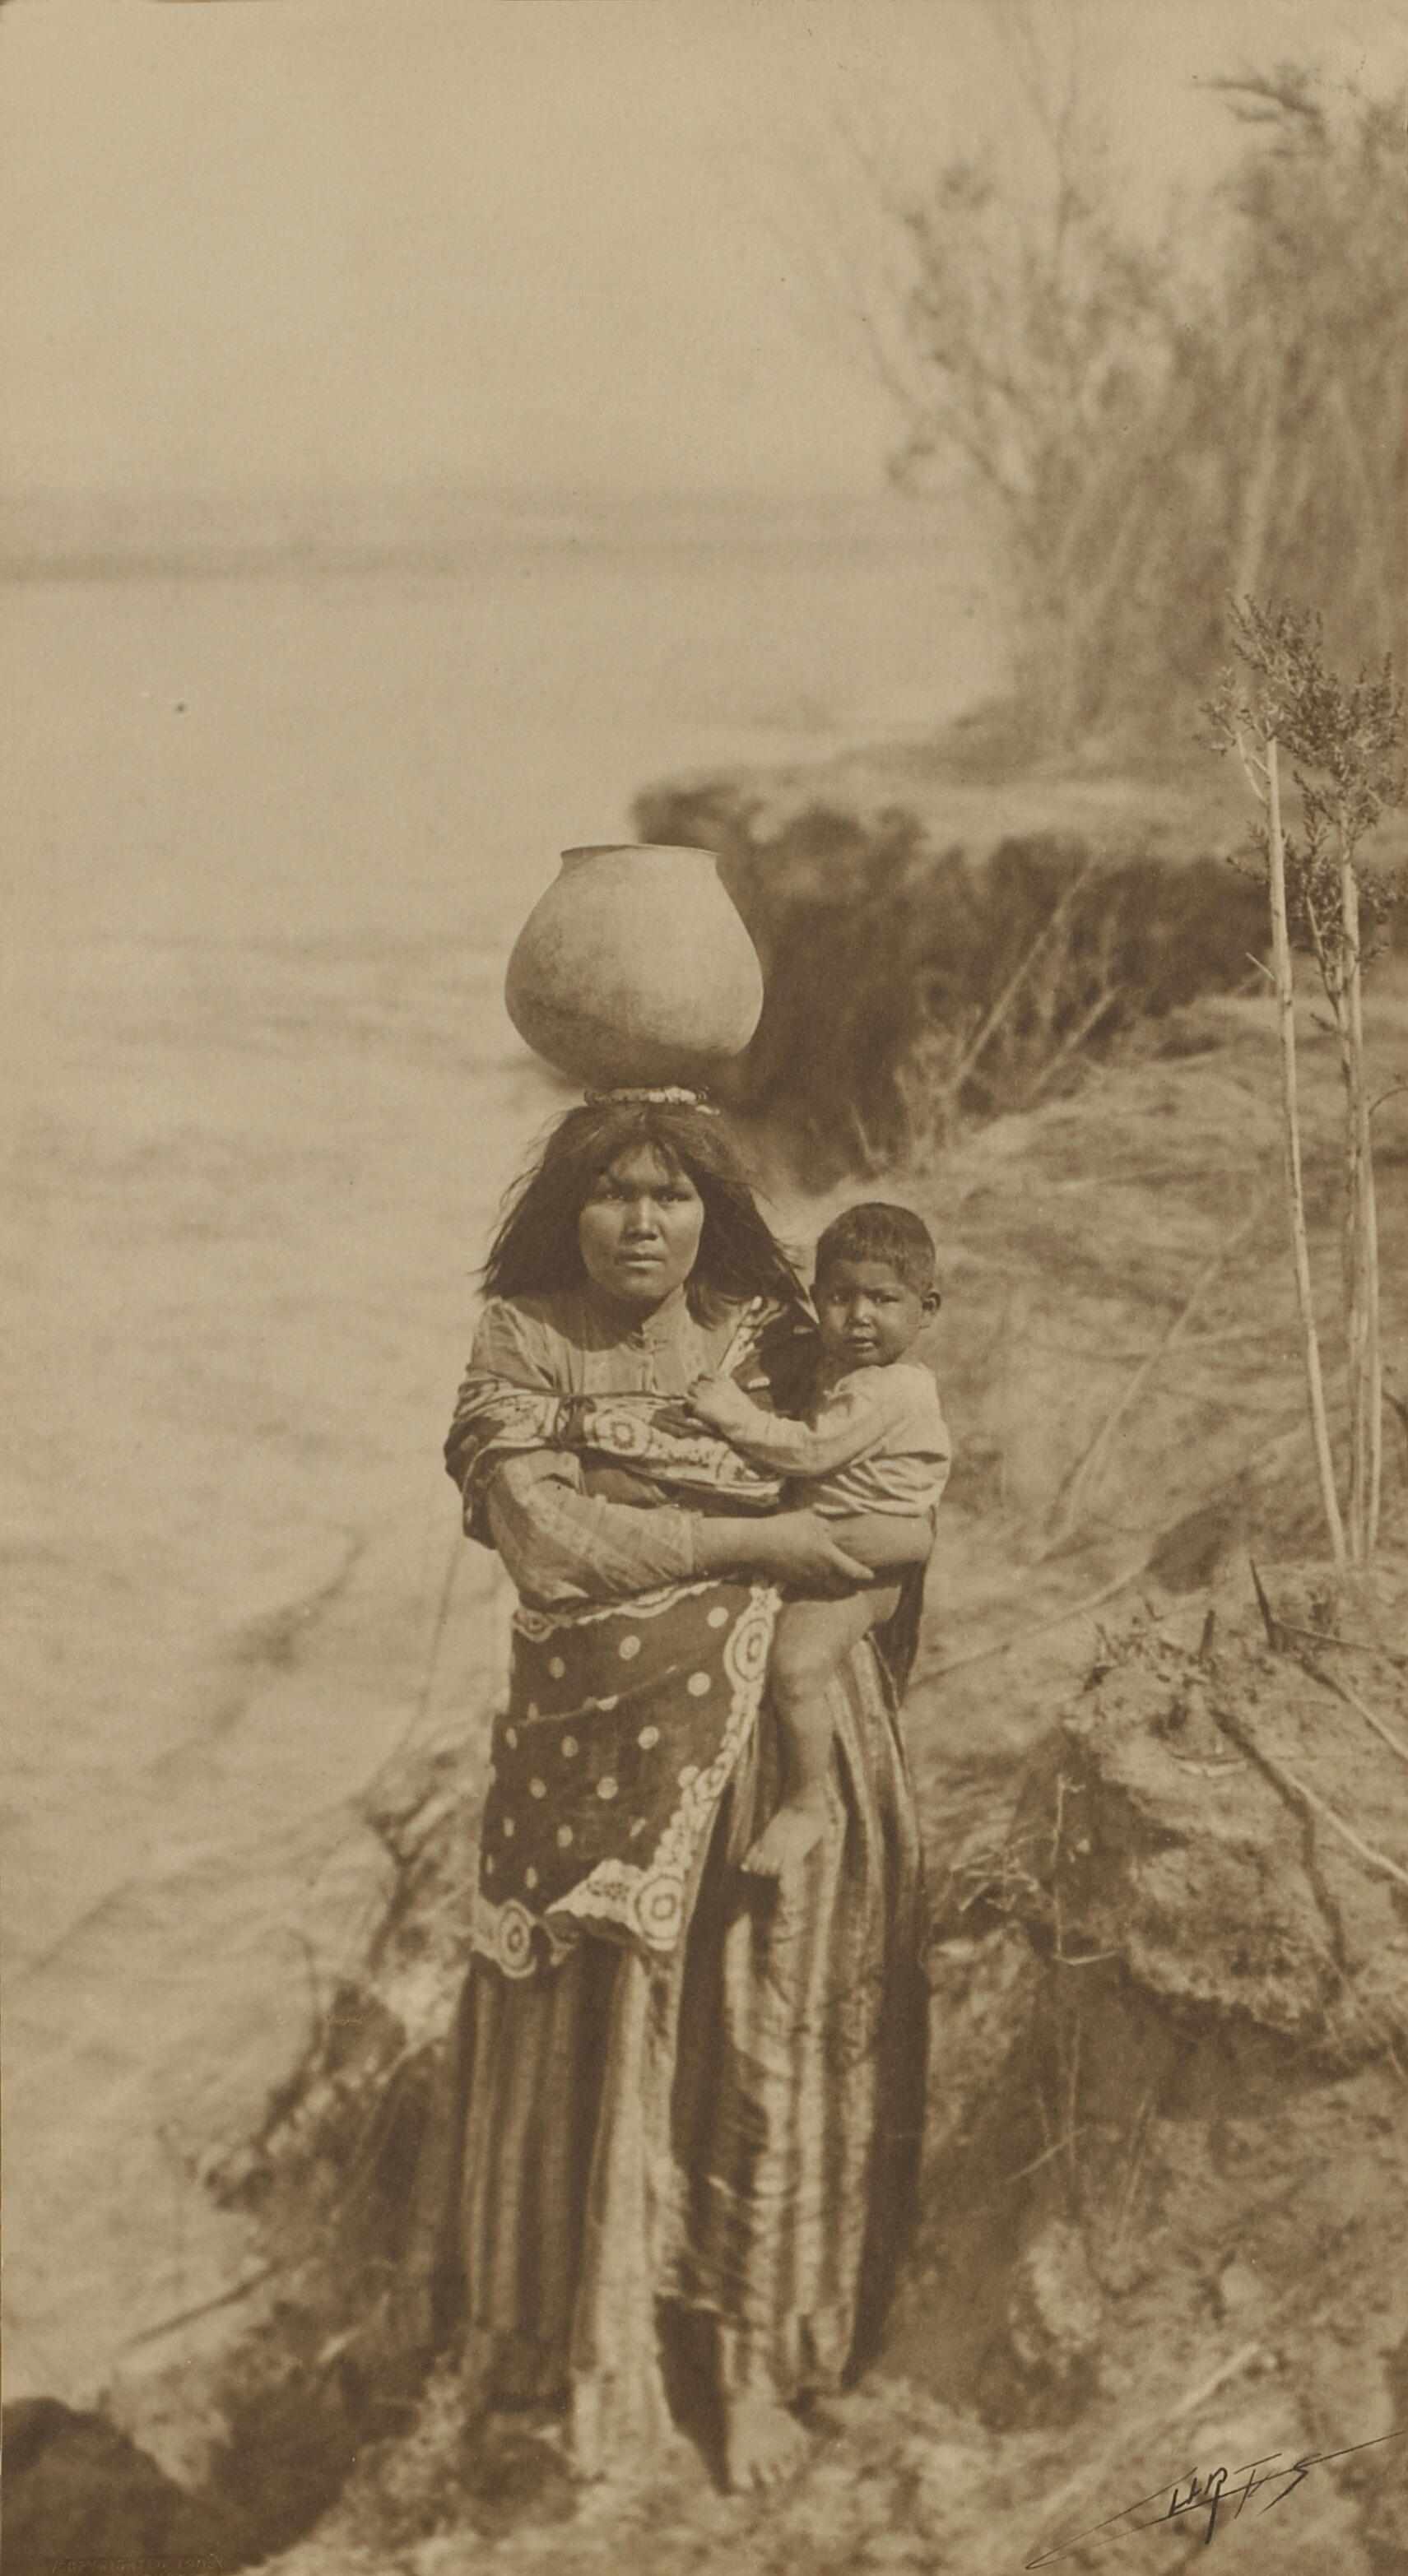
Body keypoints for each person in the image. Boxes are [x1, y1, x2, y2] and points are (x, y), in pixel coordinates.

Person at [441, 1095, 934, 2495]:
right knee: (611, 2034)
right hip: (599, 1749)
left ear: (713, 1209)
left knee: (763, 2030)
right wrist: (761, 1534)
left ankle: (748, 2362)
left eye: (670, 1195)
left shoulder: (776, 1337)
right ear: (566, 1210)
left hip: (787, 1731)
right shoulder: (522, 1338)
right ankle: (584, 2337)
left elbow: (892, 1486)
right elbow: (547, 1538)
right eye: (611, 1192)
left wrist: (776, 1543)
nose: (641, 1222)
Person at [685, 1201, 948, 1879]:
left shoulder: (891, 1390)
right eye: (838, 1296)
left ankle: (807, 1801)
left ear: (927, 1307)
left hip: (868, 1553)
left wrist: (731, 1413)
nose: (858, 1315)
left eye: (882, 1299)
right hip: (853, 1534)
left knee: (796, 1668)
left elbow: (806, 1451)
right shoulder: (850, 1373)